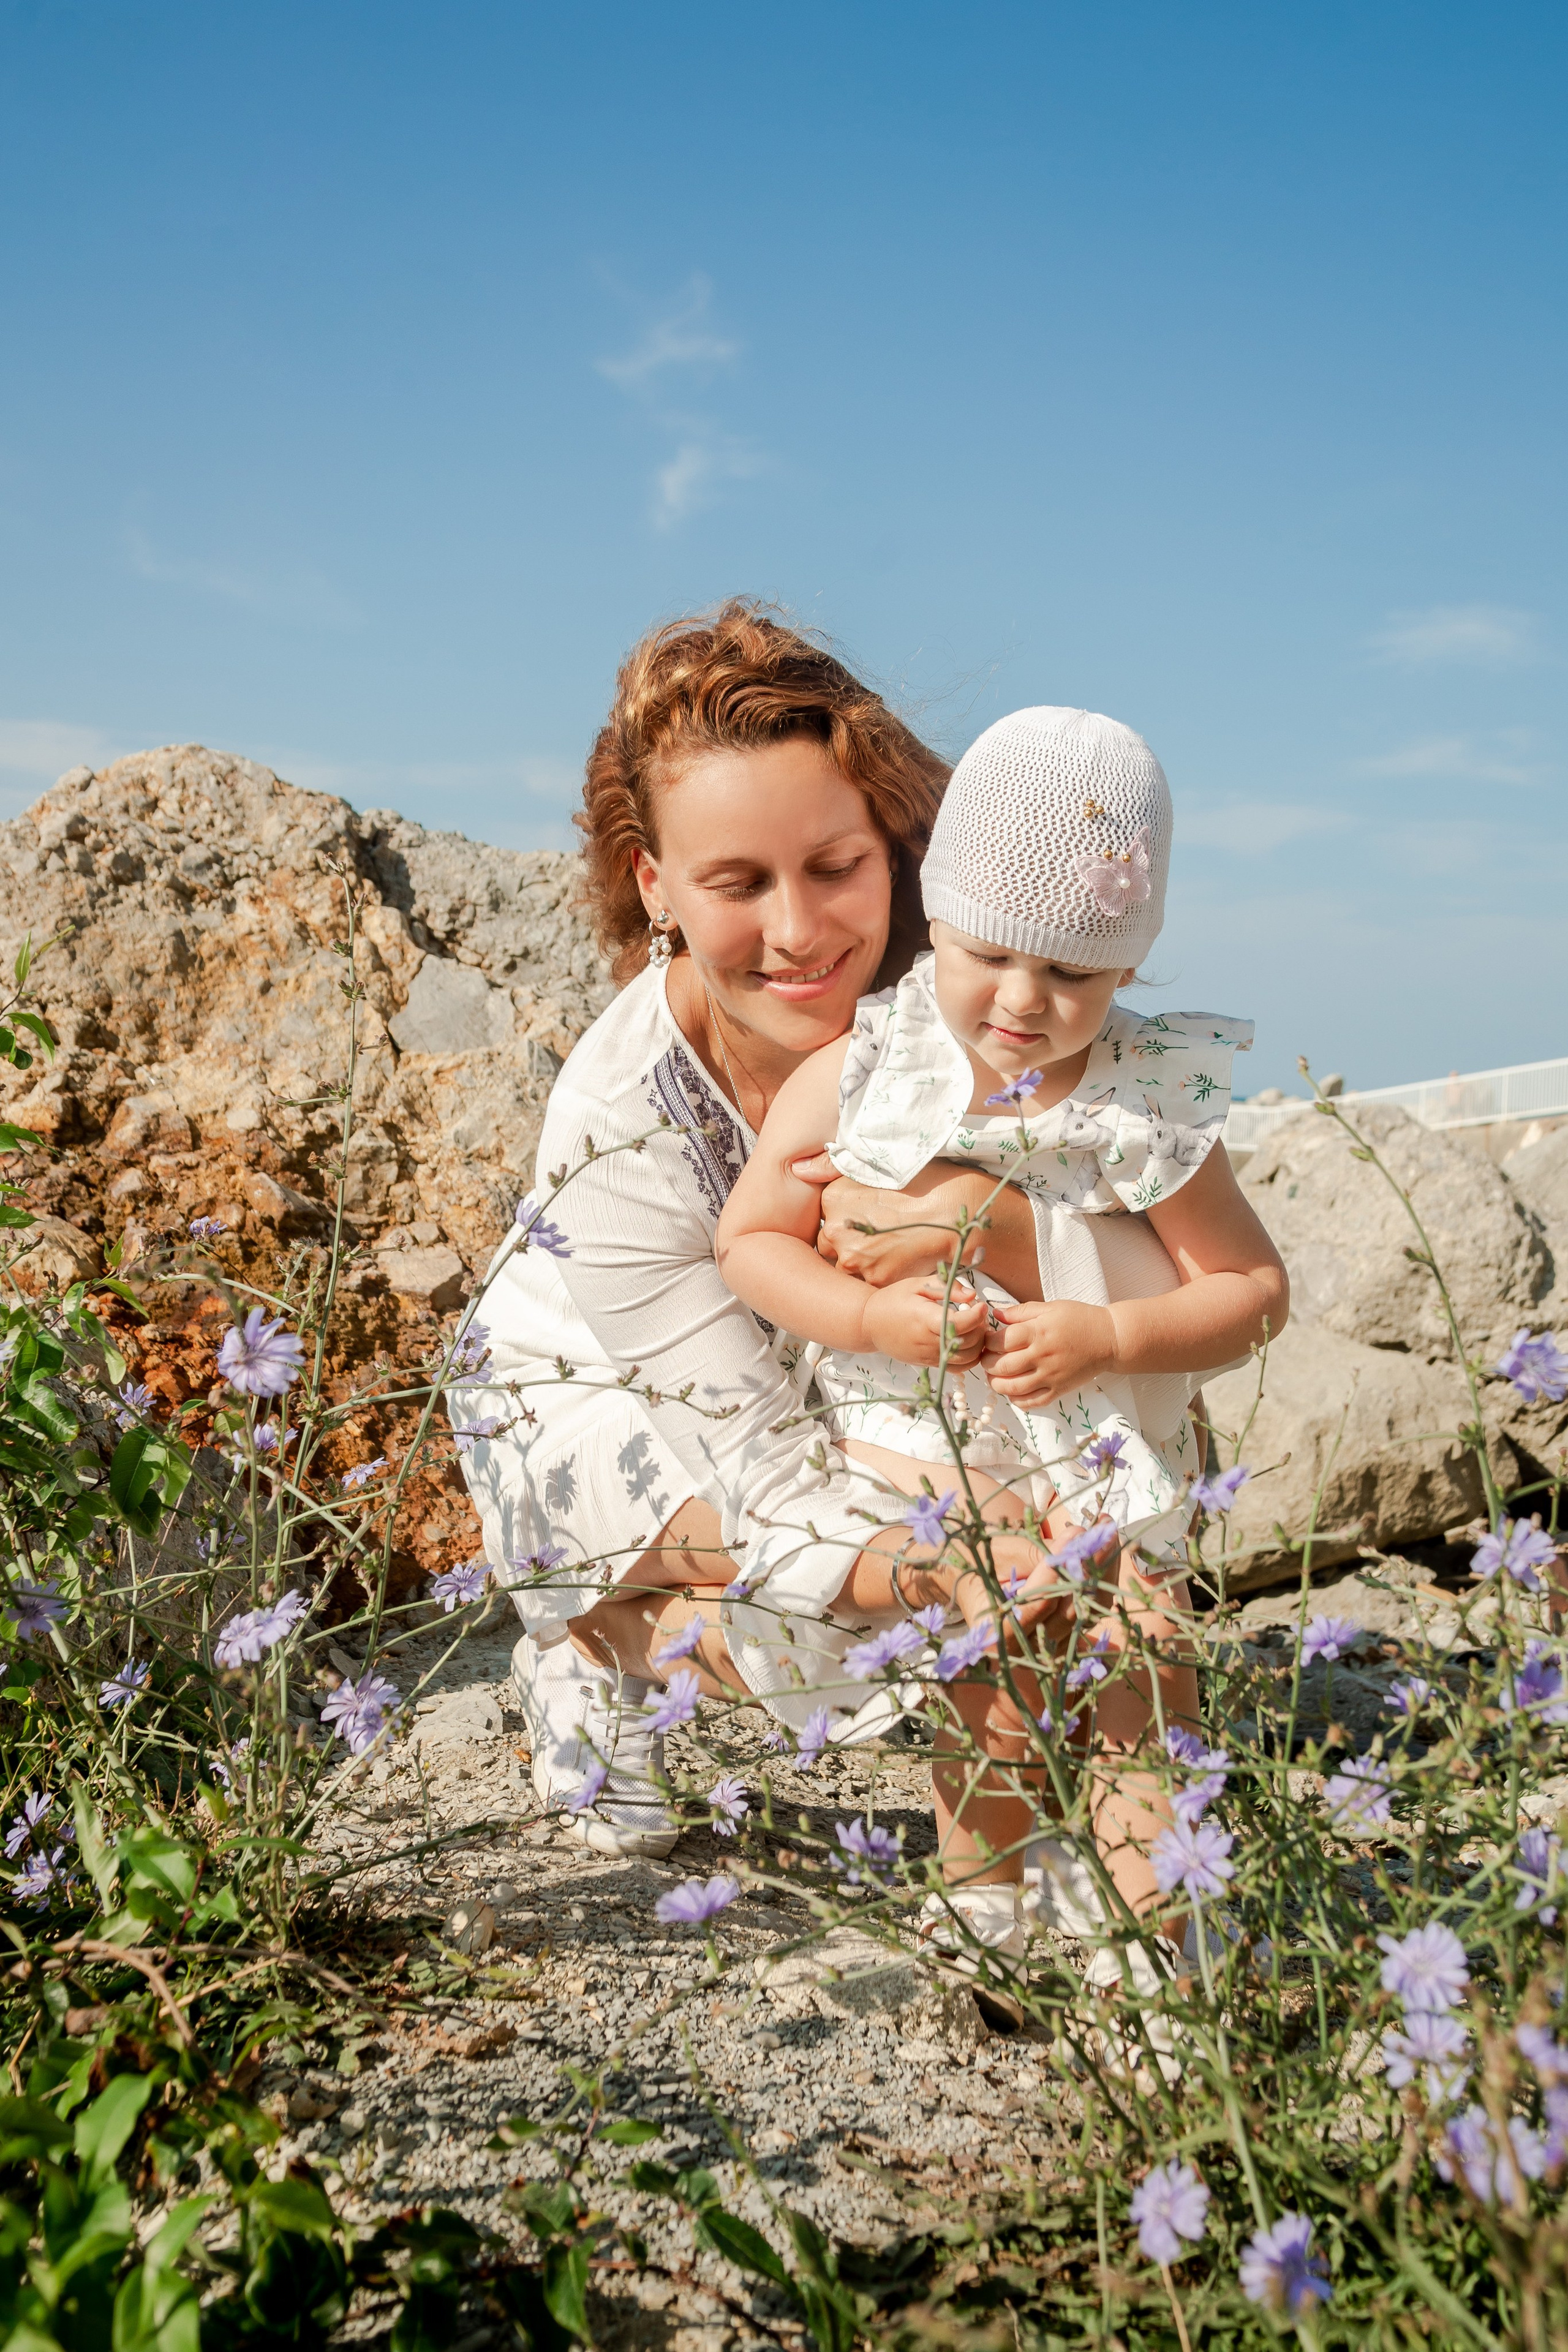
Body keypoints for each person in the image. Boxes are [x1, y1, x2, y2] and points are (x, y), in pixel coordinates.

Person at [456, 603, 1057, 1862]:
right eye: (737, 884)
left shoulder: (968, 993)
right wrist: (957, 1556)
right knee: (856, 1593)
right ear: (655, 886)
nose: (799, 934)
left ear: (891, 848)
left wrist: (982, 1225)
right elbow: (768, 1479)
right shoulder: (612, 1123)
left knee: (1055, 1476)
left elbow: (1118, 1238)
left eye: (834, 867)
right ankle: (585, 1651)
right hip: (591, 1385)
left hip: (834, 1355)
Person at [715, 706, 1289, 1966]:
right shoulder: (864, 1064)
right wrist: (865, 1313)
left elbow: (1250, 1290)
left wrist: (1108, 1331)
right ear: (935, 918)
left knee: (1142, 1651)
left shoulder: (1141, 1098)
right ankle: (989, 1883)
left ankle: (1149, 1922)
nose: (1024, 1004)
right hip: (919, 1443)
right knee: (1005, 1615)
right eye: (989, 956)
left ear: (1128, 969)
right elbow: (750, 1241)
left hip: (1094, 1452)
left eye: (1073, 974)